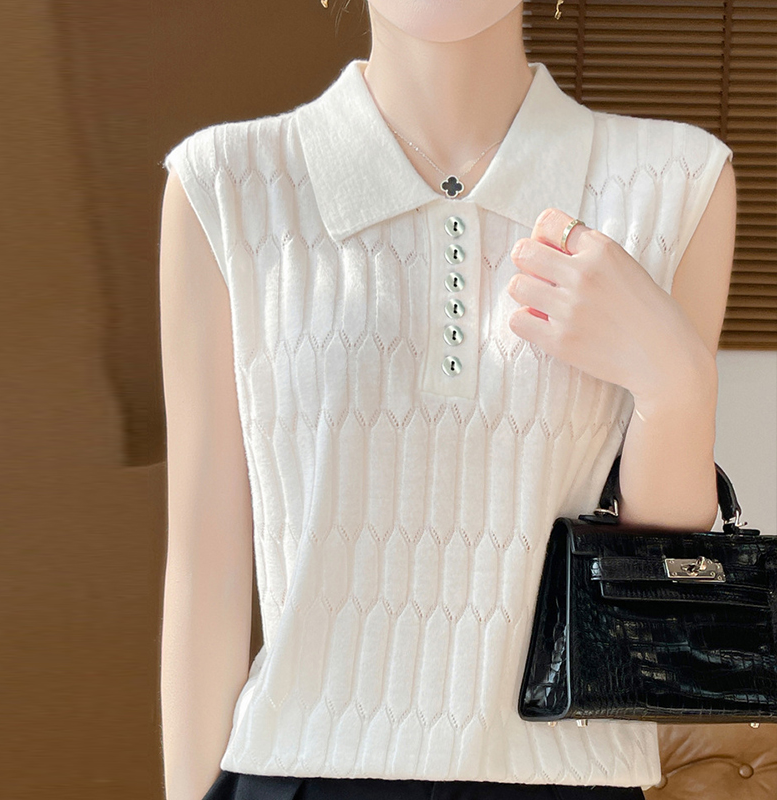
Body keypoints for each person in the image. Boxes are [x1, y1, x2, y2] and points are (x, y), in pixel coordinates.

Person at [158, 1, 736, 799]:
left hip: (567, 777)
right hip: (295, 771)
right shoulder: (227, 184)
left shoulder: (677, 181)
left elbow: (661, 598)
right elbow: (205, 564)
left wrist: (679, 384)